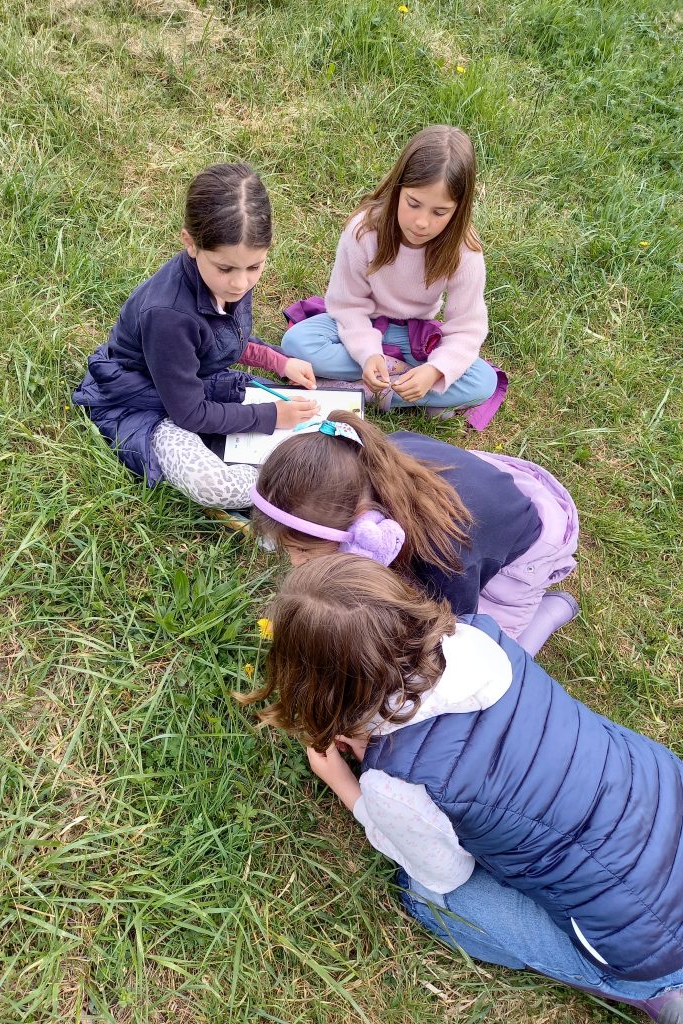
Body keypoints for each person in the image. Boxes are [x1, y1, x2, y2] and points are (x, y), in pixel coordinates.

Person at [240, 555, 683, 1023]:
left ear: (313, 685)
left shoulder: (397, 781)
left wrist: (345, 783)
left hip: (651, 943)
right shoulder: (478, 635)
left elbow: (444, 874)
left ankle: (655, 991)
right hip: (664, 797)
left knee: (426, 898)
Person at [73, 162, 319, 509]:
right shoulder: (168, 316)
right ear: (190, 243)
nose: (241, 283)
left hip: (193, 382)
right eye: (225, 268)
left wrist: (280, 362)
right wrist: (272, 416)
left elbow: (223, 338)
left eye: (255, 266)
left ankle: (282, 471)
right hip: (137, 403)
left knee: (306, 412)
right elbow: (189, 414)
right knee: (216, 486)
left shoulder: (229, 280)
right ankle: (283, 481)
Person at [250, 412, 578, 656]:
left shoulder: (442, 557)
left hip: (529, 548)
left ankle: (550, 613)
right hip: (480, 485)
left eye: (304, 552)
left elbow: (454, 629)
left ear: (366, 528)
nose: (295, 563)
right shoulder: (359, 459)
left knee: (488, 656)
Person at [280, 125, 498, 415]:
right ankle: (403, 385)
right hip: (363, 323)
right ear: (398, 189)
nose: (422, 222)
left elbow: (467, 328)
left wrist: (434, 370)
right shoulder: (364, 230)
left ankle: (360, 390)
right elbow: (348, 305)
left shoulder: (464, 251)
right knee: (297, 343)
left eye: (440, 212)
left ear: (459, 209)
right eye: (413, 204)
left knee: (484, 381)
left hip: (415, 339)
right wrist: (368, 354)